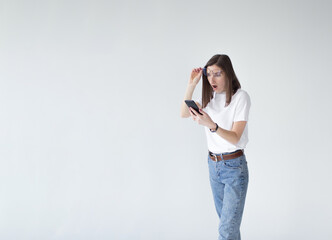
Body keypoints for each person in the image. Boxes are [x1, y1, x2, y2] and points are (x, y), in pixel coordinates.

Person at [180, 54, 251, 240]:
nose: (212, 79)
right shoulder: (208, 97)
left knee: (226, 230)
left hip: (234, 167)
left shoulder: (240, 97)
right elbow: (183, 113)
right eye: (208, 74)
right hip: (214, 166)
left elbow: (235, 137)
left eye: (217, 74)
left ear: (228, 73)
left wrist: (212, 125)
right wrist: (191, 85)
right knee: (228, 227)